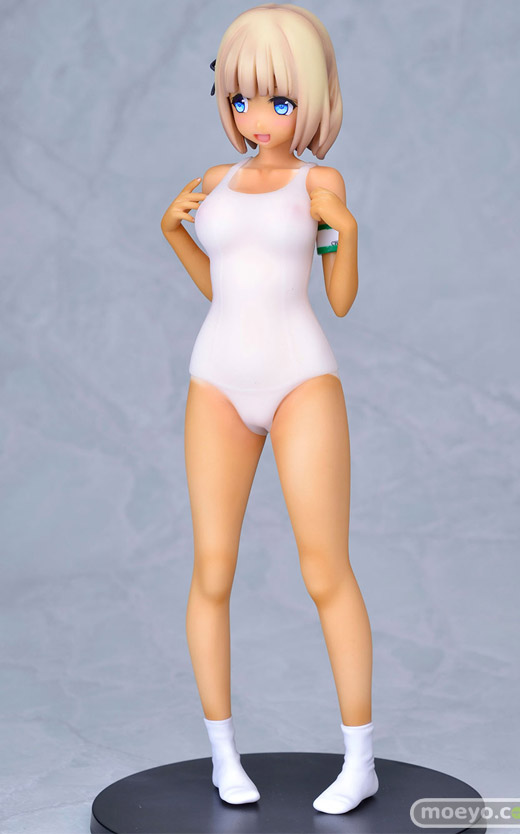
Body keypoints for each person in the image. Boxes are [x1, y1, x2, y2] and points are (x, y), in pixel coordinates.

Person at [160, 2, 378, 815]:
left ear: (311, 100)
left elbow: (340, 300)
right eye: (242, 97)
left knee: (325, 570)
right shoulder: (212, 182)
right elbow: (226, 290)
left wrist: (344, 230)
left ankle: (360, 760)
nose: (258, 118)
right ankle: (223, 755)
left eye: (280, 101)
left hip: (300, 380)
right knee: (212, 570)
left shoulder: (320, 183)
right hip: (215, 380)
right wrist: (176, 235)